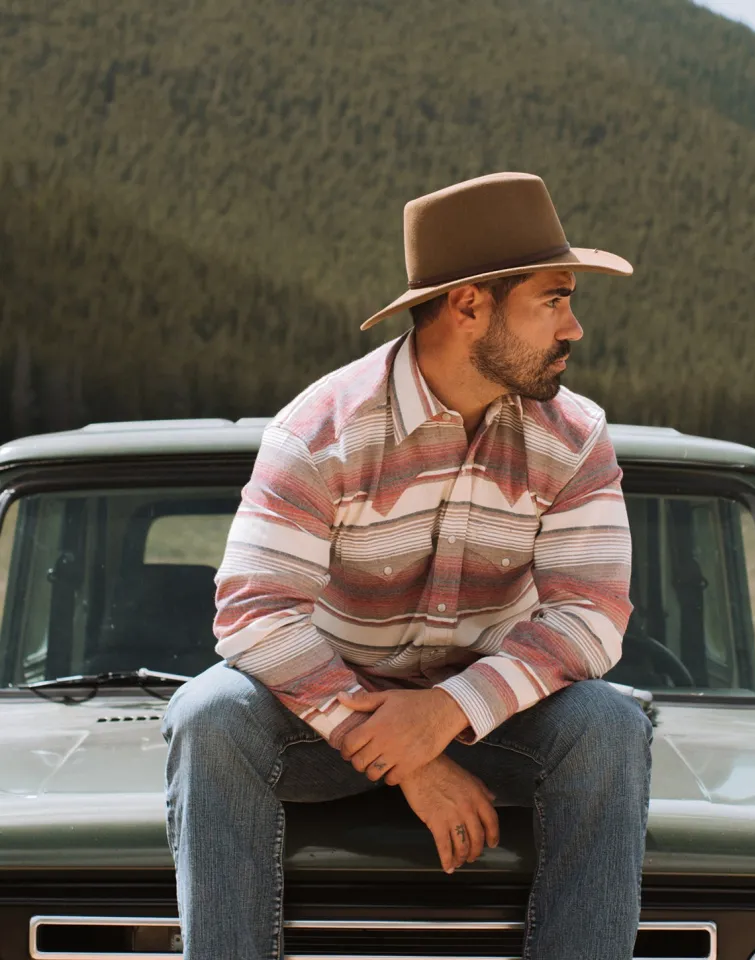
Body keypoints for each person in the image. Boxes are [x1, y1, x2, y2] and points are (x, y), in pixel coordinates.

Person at [162, 171, 653, 960]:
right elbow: (254, 612)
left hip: (493, 719)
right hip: (325, 720)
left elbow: (590, 617)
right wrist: (409, 761)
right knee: (209, 715)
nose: (575, 329)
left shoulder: (577, 437)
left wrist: (445, 714)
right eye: (554, 300)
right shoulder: (319, 432)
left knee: (609, 725)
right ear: (468, 306)